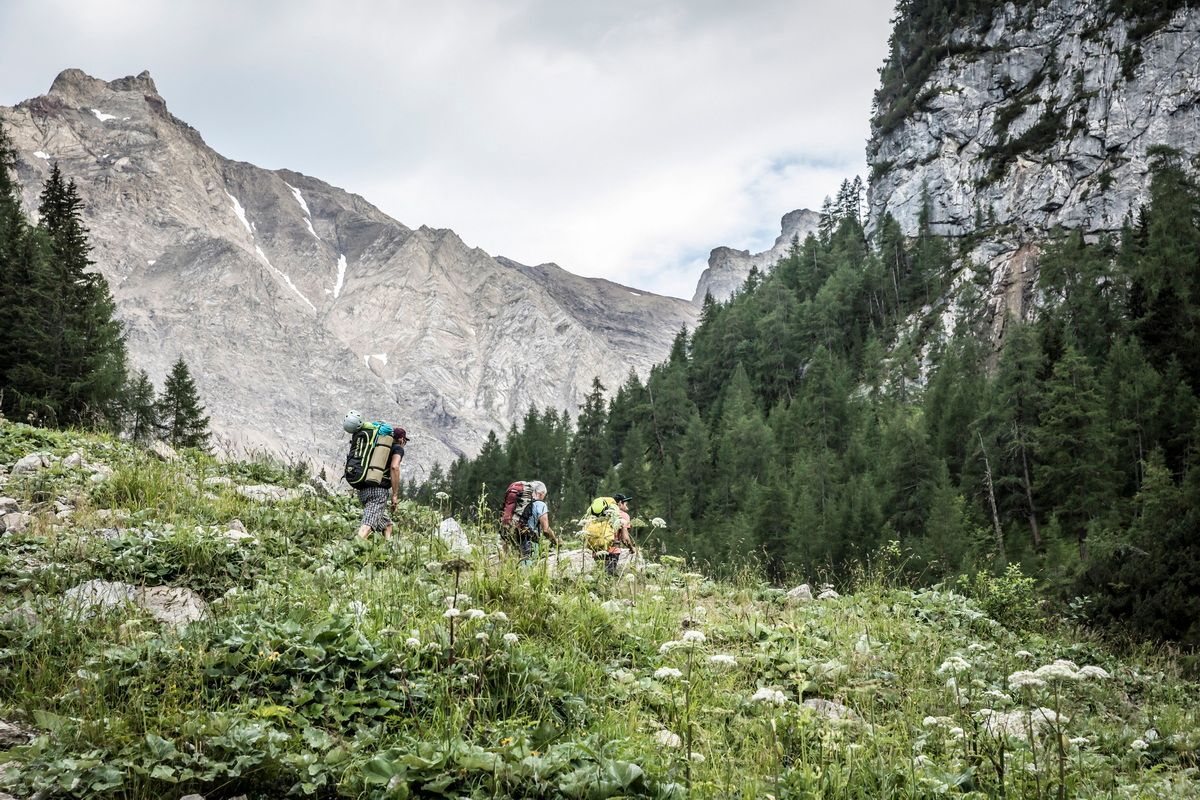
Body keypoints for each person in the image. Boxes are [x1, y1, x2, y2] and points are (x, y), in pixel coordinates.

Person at [343, 410, 408, 540]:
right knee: (368, 525)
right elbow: (394, 467)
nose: (404, 442)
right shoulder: (397, 448)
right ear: (401, 439)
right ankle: (350, 551)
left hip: (362, 490)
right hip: (378, 491)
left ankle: (387, 548)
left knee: (387, 524)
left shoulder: (374, 445)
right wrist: (395, 494)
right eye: (405, 440)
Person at [521, 480, 561, 564]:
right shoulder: (540, 504)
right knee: (528, 569)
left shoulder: (520, 503)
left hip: (512, 537)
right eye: (544, 495)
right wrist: (555, 541)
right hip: (529, 541)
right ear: (541, 493)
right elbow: (545, 529)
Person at [605, 493, 637, 575]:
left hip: (598, 550)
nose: (627, 504)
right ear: (619, 503)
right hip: (612, 551)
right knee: (609, 577)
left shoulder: (605, 513)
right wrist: (631, 548)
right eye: (625, 502)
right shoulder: (623, 515)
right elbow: (625, 538)